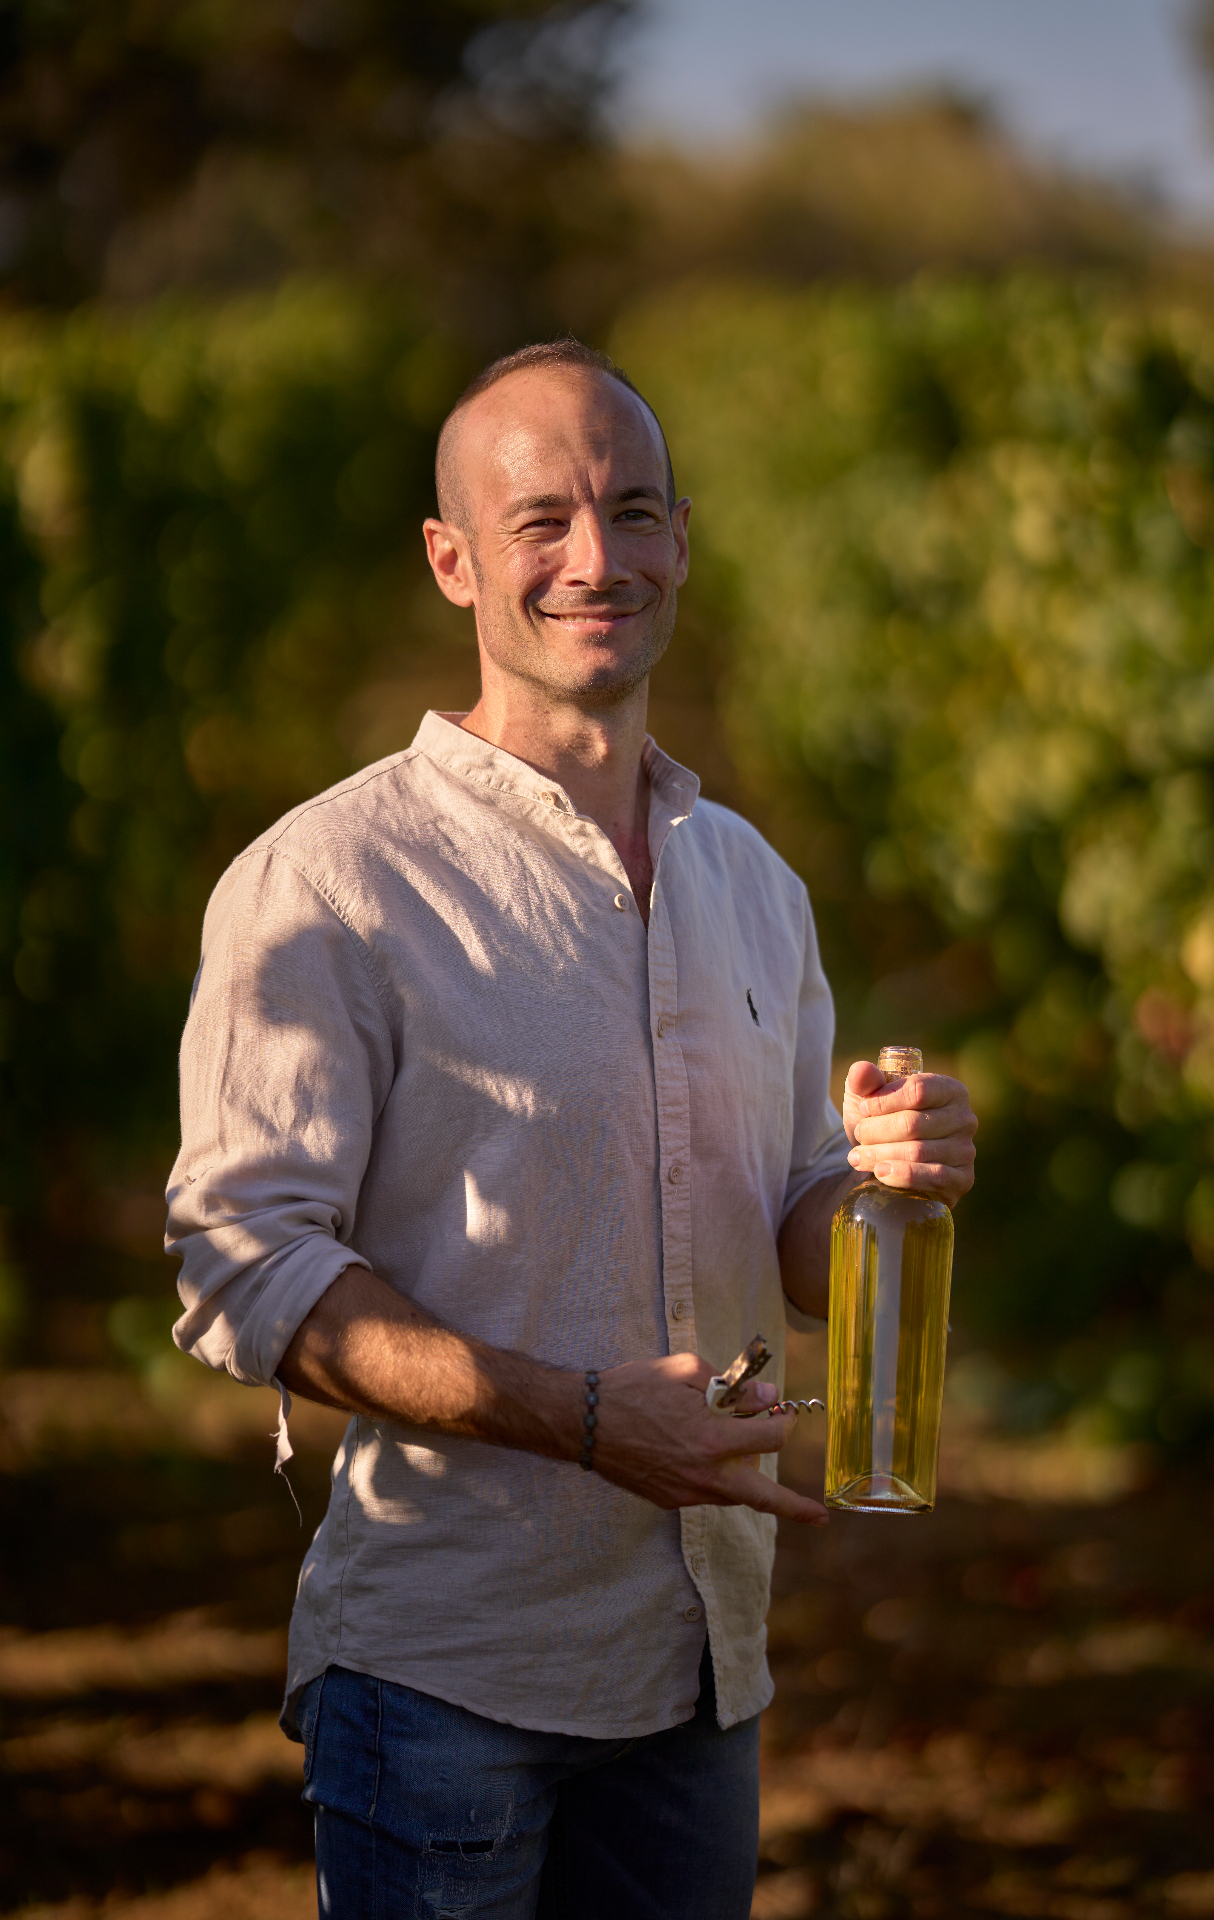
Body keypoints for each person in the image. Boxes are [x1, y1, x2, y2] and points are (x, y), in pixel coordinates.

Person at [166, 339, 977, 1919]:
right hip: (447, 1675)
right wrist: (590, 1423)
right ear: (453, 560)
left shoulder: (754, 880)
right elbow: (243, 1264)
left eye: (635, 510)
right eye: (542, 521)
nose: (596, 559)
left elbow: (798, 1226)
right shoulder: (329, 882)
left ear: (685, 540)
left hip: (697, 1674)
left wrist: (877, 1182)